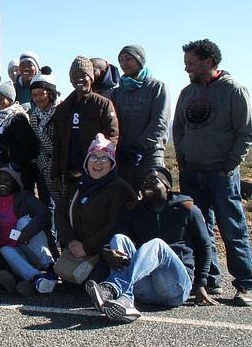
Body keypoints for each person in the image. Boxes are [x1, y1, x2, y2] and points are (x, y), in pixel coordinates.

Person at [173, 39, 252, 306]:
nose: (186, 69)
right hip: (191, 172)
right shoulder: (187, 93)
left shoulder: (234, 91)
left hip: (220, 175)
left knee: (232, 228)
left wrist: (227, 167)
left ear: (209, 61)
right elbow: (179, 129)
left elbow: (246, 132)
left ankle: (244, 284)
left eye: (191, 64)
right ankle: (210, 280)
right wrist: (182, 162)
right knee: (200, 229)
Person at [85, 167, 215, 322]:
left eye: (153, 181)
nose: (147, 185)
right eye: (144, 182)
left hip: (174, 287)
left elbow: (204, 246)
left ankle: (113, 288)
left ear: (167, 187)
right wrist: (107, 252)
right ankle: (126, 302)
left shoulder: (187, 209)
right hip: (144, 289)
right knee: (119, 238)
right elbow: (113, 237)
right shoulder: (133, 211)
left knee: (157, 245)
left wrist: (201, 283)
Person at [54, 134, 136, 284]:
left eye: (104, 158)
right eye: (93, 157)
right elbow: (60, 212)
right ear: (86, 162)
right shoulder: (77, 185)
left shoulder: (121, 190)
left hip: (105, 251)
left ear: (112, 164)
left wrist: (87, 247)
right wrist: (71, 242)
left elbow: (116, 224)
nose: (97, 163)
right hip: (77, 249)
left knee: (92, 282)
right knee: (70, 284)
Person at [52, 56, 119, 196]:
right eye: (75, 76)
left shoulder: (103, 105)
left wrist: (101, 164)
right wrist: (56, 175)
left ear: (91, 78)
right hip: (70, 173)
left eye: (83, 75)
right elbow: (57, 143)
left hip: (96, 171)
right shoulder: (62, 108)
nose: (79, 79)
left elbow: (112, 137)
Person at [0, 167, 57, 296]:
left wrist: (27, 232)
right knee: (4, 250)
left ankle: (49, 267)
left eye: (7, 180)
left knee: (23, 221)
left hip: (30, 246)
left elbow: (44, 212)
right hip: (13, 253)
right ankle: (36, 278)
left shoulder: (23, 196)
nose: (2, 183)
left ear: (14, 183)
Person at [110, 45, 171, 191]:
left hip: (150, 154)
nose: (124, 63)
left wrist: (139, 146)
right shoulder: (117, 93)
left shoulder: (157, 87)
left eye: (128, 58)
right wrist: (122, 146)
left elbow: (160, 122)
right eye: (121, 60)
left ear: (140, 60)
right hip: (124, 154)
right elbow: (112, 122)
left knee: (155, 194)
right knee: (126, 197)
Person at [0, 82, 39, 182]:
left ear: (9, 100)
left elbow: (31, 146)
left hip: (16, 174)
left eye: (0, 98)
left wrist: (14, 165)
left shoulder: (17, 118)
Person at [28, 72, 61, 225]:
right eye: (34, 95)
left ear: (50, 93)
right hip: (46, 165)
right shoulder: (34, 116)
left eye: (41, 94)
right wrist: (43, 164)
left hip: (63, 163)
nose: (37, 98)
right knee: (55, 205)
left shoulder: (62, 111)